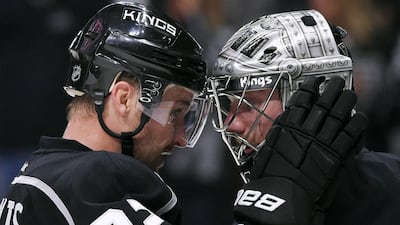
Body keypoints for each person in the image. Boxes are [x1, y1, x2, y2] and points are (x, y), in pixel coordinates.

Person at [0, 2, 210, 224]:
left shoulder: (38, 175)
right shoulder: (91, 183)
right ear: (124, 99)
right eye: (175, 112)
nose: (181, 138)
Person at [208, 9, 400, 225]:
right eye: (230, 105)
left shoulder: (392, 190)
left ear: (315, 96)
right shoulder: (240, 198)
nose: (230, 123)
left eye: (249, 103)